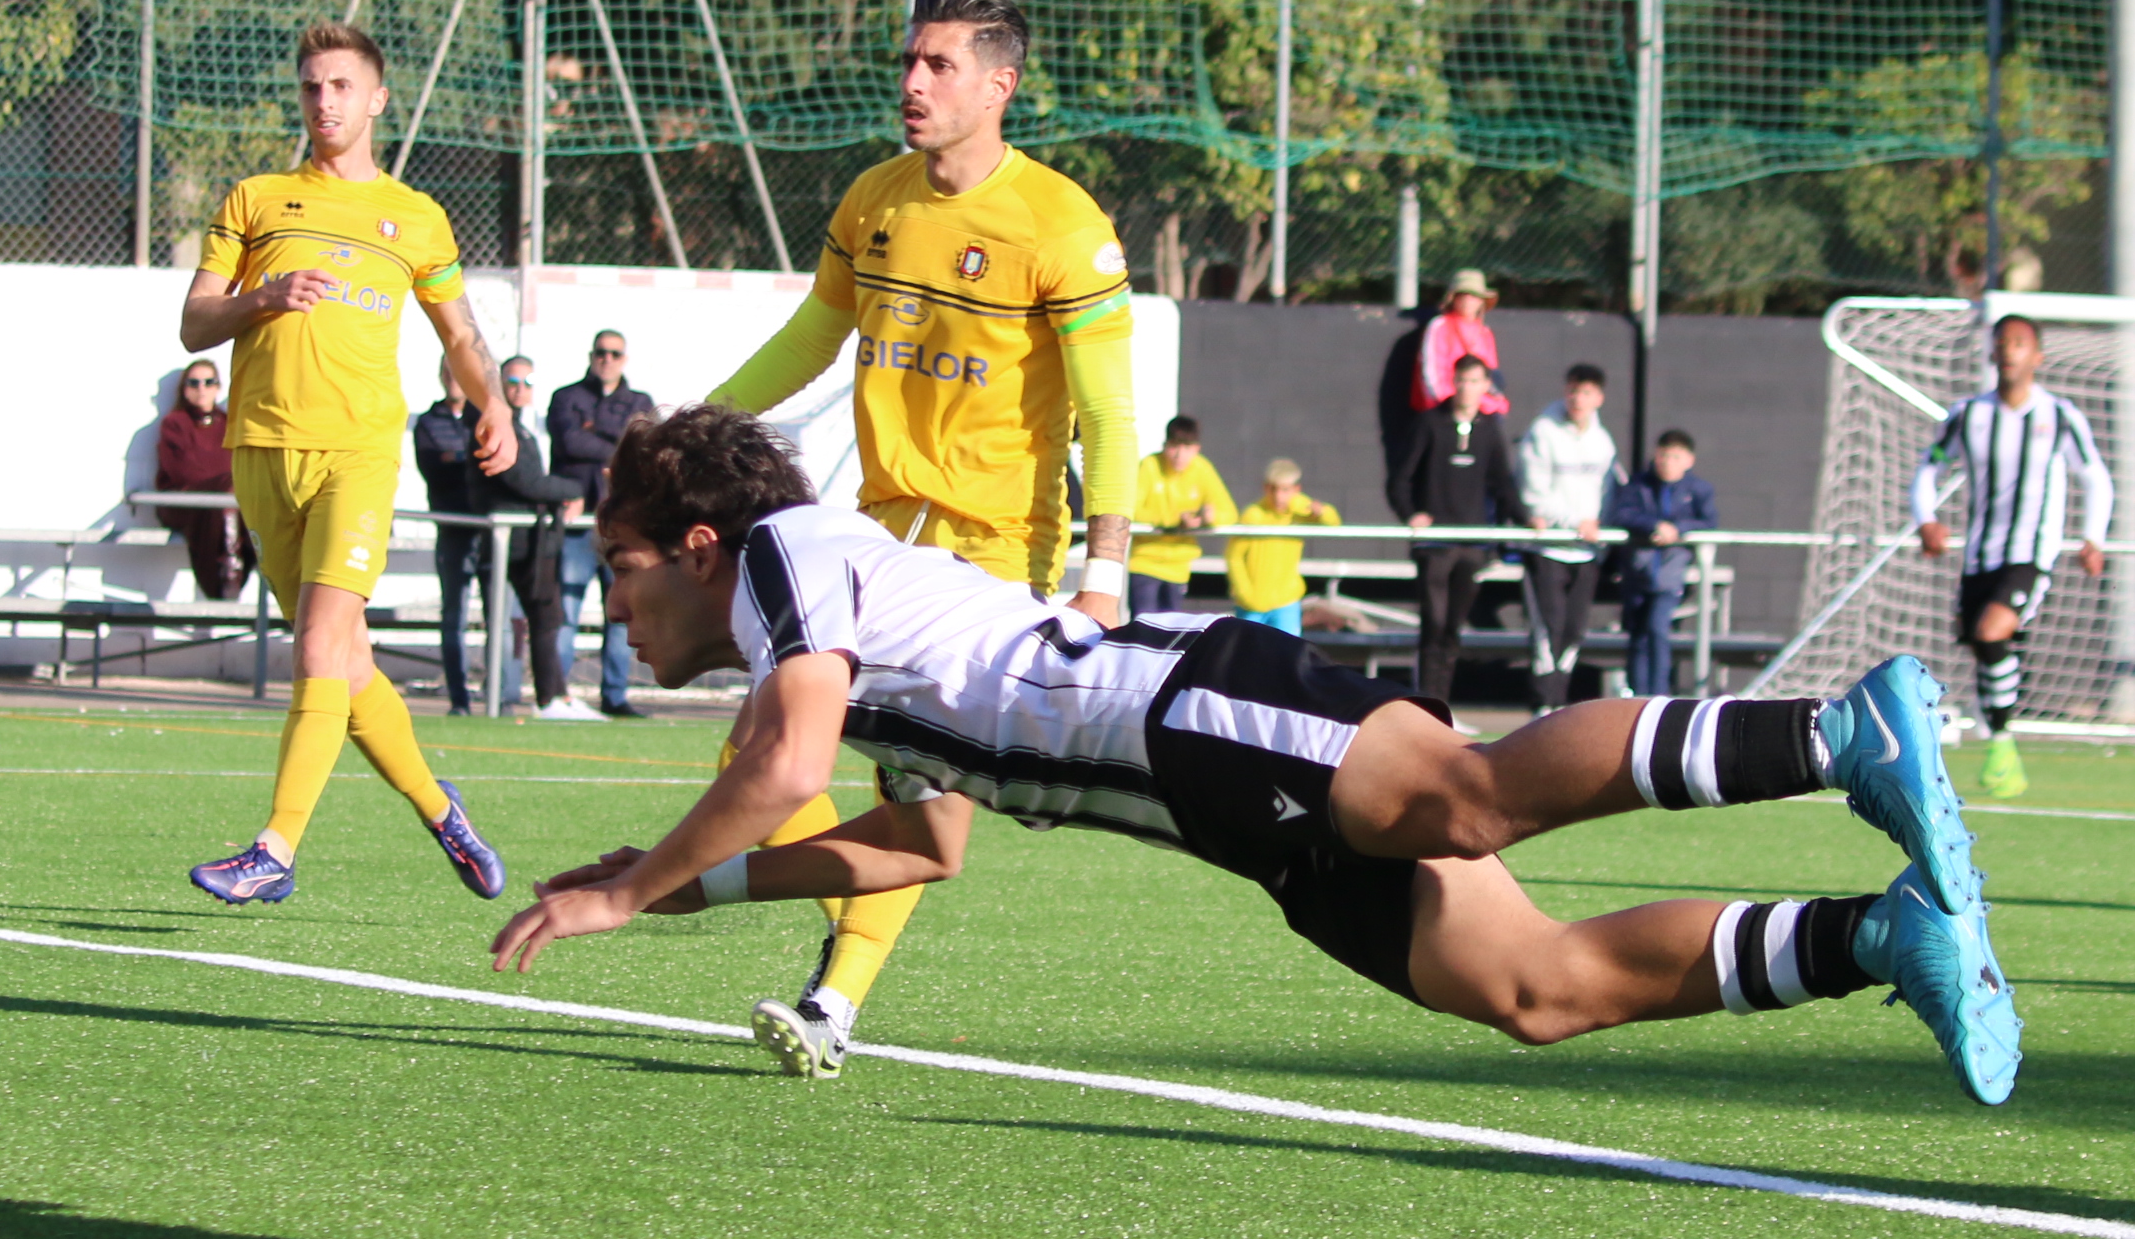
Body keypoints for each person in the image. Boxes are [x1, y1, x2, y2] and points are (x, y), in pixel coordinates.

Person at [491, 407, 2020, 1108]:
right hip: (1224, 814)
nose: (610, 597)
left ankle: (1838, 732)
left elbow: (777, 763)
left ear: (696, 544)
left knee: (1471, 801)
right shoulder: (823, 633)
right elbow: (917, 848)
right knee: (1533, 993)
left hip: (1196, 713)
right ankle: (1883, 939)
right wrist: (681, 893)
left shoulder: (781, 562)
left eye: (618, 564)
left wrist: (631, 897)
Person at [704, 0, 1139, 1078]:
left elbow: (1107, 411)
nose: (913, 81)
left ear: (999, 84)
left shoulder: (1063, 226)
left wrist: (1107, 571)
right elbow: (813, 335)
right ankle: (834, 956)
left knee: (909, 788)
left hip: (993, 551)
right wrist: (701, 424)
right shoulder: (877, 199)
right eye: (909, 59)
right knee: (770, 762)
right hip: (873, 531)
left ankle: (832, 1001)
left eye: (939, 64)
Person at [173, 20, 518, 907]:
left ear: (376, 100)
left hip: (358, 453)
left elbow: (460, 334)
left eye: (339, 87)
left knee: (322, 645)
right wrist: (264, 297)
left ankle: (274, 849)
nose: (323, 102)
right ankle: (443, 811)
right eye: (311, 87)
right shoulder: (256, 199)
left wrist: (495, 405)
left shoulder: (415, 216)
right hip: (260, 449)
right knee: (345, 665)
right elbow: (194, 322)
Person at [1916, 313, 2111, 802]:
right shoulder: (1968, 415)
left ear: (2037, 356)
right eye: (2002, 343)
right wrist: (1927, 518)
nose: (2010, 351)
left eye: (2020, 343)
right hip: (1981, 554)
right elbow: (1928, 472)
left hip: (2031, 553)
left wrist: (2093, 537)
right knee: (1984, 647)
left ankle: (2002, 742)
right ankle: (2002, 748)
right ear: (1991, 353)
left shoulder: (2060, 415)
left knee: (1992, 631)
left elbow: (2096, 478)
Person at [1388, 352, 1520, 704]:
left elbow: (1502, 484)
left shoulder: (1490, 430)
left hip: (1472, 544)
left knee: (1452, 629)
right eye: (1461, 380)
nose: (1466, 388)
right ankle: (1427, 706)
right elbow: (1400, 479)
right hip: (1435, 544)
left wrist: (1527, 519)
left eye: (1474, 381)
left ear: (1486, 386)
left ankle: (1440, 705)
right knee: (1433, 622)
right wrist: (1411, 514)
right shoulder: (1430, 423)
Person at [547, 330, 657, 717]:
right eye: (600, 353)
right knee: (567, 611)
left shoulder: (639, 401)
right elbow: (569, 444)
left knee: (624, 613)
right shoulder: (566, 397)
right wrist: (618, 443)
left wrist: (596, 435)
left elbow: (646, 447)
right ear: (590, 355)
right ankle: (556, 696)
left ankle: (615, 696)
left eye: (614, 354)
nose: (607, 359)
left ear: (624, 359)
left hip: (622, 527)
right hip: (578, 527)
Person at [1512, 362, 1618, 714]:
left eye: (1586, 392)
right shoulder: (1542, 432)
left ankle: (1559, 707)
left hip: (1586, 553)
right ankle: (1543, 706)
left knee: (1573, 631)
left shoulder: (1603, 443)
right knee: (1548, 630)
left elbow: (1608, 495)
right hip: (1546, 551)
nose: (1578, 398)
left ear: (1599, 398)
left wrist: (1596, 528)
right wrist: (1574, 521)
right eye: (1573, 389)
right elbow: (1534, 494)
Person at [490, 355, 586, 719]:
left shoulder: (523, 427)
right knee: (524, 617)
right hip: (508, 539)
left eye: (527, 382)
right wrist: (573, 489)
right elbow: (525, 481)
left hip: (528, 536)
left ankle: (555, 696)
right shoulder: (495, 424)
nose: (520, 389)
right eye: (512, 380)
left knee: (546, 614)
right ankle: (542, 698)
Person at [414, 360, 506, 716]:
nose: (455, 379)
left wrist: (464, 458)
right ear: (441, 376)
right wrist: (472, 459)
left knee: (497, 614)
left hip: (491, 529)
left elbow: (498, 464)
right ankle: (460, 699)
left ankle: (498, 695)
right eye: (449, 372)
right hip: (454, 528)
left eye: (460, 372)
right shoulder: (429, 422)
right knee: (454, 614)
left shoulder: (484, 418)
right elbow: (436, 469)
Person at [1603, 428, 1720, 701]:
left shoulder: (1698, 490)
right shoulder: (1638, 485)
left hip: (1670, 575)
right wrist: (1653, 526)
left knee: (1657, 628)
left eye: (1675, 457)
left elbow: (1708, 522)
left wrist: (1676, 530)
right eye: (1664, 456)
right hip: (1637, 573)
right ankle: (1637, 698)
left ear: (1688, 460)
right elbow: (1622, 514)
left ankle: (1659, 697)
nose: (1668, 462)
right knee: (1637, 635)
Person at [155, 362, 256, 602]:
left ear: (218, 387)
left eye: (208, 382)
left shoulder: (228, 423)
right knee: (228, 492)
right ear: (184, 389)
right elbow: (183, 471)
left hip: (225, 503)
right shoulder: (176, 424)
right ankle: (228, 577)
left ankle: (231, 574)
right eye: (194, 382)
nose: (202, 388)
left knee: (238, 497)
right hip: (185, 503)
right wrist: (221, 482)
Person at [1127, 415, 1234, 619]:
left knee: (1171, 632)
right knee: (1142, 629)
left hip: (1178, 567)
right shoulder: (1149, 465)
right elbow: (1131, 509)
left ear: (1197, 449)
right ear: (1165, 445)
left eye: (1187, 448)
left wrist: (1209, 518)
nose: (1179, 455)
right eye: (1174, 447)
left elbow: (1229, 512)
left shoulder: (1202, 468)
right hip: (1144, 563)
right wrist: (1174, 520)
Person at [1226, 459, 1338, 636]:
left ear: (1296, 490)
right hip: (1252, 604)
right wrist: (1244, 592)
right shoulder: (1253, 514)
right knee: (1247, 657)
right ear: (1265, 488)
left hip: (1286, 602)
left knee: (1288, 656)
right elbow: (1234, 556)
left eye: (1285, 490)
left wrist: (1322, 512)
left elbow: (1333, 525)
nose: (1279, 496)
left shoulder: (1300, 510)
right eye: (1273, 489)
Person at [1408, 268, 1507, 415]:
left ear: (1482, 301)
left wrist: (1496, 400)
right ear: (1453, 299)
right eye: (1462, 295)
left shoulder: (1485, 332)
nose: (1468, 301)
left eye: (1474, 296)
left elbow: (1490, 377)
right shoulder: (1439, 327)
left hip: (1478, 409)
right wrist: (1452, 407)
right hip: (1442, 410)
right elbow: (1431, 379)